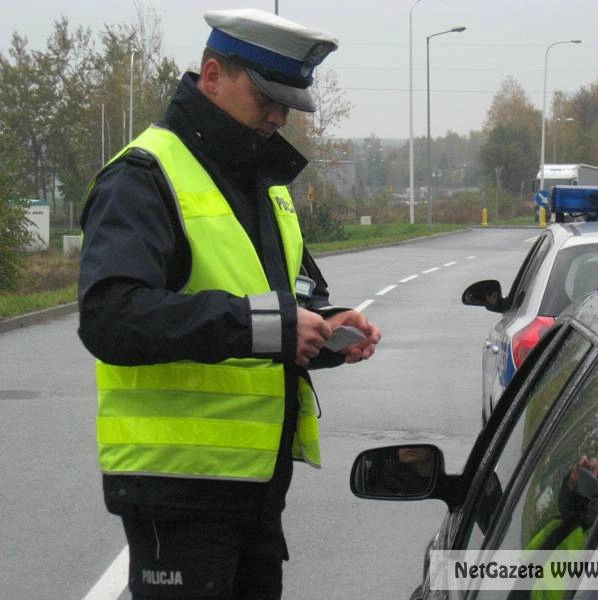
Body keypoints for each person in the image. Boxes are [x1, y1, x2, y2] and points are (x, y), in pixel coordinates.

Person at [77, 9, 380, 599]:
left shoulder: (257, 179)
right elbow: (112, 317)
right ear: (212, 75)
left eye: (288, 103)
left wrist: (326, 329)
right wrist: (273, 328)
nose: (278, 116)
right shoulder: (144, 175)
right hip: (178, 491)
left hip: (255, 492)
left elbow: (277, 307)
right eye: (265, 96)